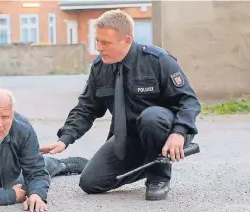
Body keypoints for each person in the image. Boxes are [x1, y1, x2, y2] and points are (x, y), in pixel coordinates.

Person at [40, 9, 201, 201]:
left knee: (151, 117)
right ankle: (151, 160)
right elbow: (87, 107)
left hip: (167, 132)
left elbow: (189, 101)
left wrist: (179, 132)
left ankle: (158, 177)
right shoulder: (100, 68)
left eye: (105, 42)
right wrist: (65, 138)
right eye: (97, 41)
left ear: (126, 40)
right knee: (90, 183)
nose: (99, 47)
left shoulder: (157, 61)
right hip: (129, 138)